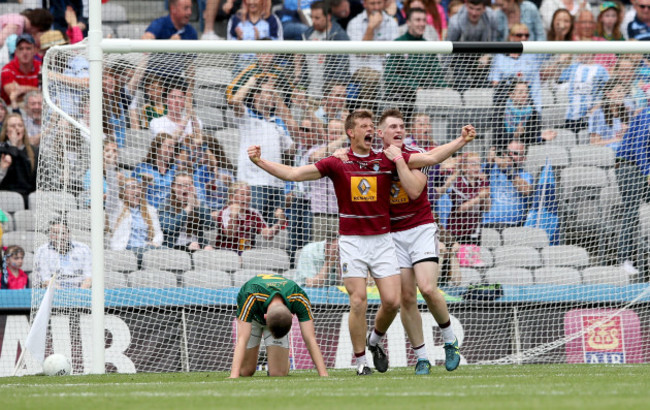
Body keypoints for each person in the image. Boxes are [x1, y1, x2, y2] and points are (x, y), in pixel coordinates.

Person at [248, 109, 477, 375]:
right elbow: (295, 174)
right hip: (352, 241)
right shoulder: (337, 162)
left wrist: (460, 142)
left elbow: (430, 157)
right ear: (351, 132)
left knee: (393, 302)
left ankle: (375, 342)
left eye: (371, 125)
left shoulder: (388, 158)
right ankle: (361, 363)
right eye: (364, 126)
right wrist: (260, 162)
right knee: (357, 301)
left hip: (383, 240)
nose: (368, 129)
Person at [374, 109, 465, 374]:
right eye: (392, 126)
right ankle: (422, 357)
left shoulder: (414, 156)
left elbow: (414, 191)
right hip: (392, 235)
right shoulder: (374, 161)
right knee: (406, 298)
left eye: (401, 126)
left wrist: (460, 142)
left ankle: (450, 341)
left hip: (420, 228)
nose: (398, 130)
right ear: (381, 133)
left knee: (427, 288)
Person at [229, 274, 328, 378]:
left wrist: (323, 374)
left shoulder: (299, 297)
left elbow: (310, 338)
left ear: (291, 316)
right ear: (265, 317)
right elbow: (242, 339)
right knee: (245, 371)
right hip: (253, 318)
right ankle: (280, 359)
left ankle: (283, 363)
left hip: (277, 318)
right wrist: (233, 375)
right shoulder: (249, 295)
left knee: (277, 373)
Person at [230, 75, 294, 225]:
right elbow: (234, 101)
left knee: (274, 231)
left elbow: (291, 150)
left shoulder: (277, 122)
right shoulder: (247, 116)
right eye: (269, 92)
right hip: (253, 184)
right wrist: (251, 82)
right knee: (251, 227)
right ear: (257, 95)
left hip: (276, 185)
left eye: (274, 93)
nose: (273, 96)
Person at [384, 7, 447, 123]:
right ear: (408, 22)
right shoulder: (398, 44)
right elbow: (388, 76)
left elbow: (437, 74)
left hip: (424, 95)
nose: (422, 24)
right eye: (418, 20)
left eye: (424, 20)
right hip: (401, 95)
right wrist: (413, 86)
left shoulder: (428, 46)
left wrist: (445, 88)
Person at [346, 0, 400, 112]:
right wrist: (371, 27)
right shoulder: (354, 23)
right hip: (360, 69)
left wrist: (375, 50)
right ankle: (364, 114)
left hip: (386, 69)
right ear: (365, 4)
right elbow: (361, 52)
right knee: (374, 78)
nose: (376, 7)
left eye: (379, 3)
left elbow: (393, 54)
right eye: (372, 3)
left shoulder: (392, 23)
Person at [106, 162, 164, 264]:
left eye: (138, 187)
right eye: (132, 188)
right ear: (124, 192)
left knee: (168, 252)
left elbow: (158, 233)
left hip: (146, 250)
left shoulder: (149, 210)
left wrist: (155, 242)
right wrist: (112, 169)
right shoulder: (117, 208)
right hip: (126, 251)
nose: (136, 190)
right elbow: (112, 192)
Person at [446, 152, 490, 284]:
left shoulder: (482, 182)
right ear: (464, 167)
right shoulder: (458, 183)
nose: (477, 167)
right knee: (456, 265)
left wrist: (486, 196)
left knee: (473, 266)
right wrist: (479, 198)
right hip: (457, 230)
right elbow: (460, 209)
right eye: (473, 164)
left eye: (479, 164)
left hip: (474, 230)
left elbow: (486, 209)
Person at [213, 182, 286, 254]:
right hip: (227, 254)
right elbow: (230, 234)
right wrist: (234, 216)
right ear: (231, 197)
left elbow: (268, 235)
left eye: (248, 195)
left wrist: (281, 221)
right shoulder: (225, 212)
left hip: (247, 254)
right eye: (242, 194)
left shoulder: (254, 213)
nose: (246, 198)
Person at [297, 1, 350, 97]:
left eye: (317, 18)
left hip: (329, 97)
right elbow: (305, 66)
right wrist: (302, 88)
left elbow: (342, 70)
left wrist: (329, 94)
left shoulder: (339, 36)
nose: (313, 21)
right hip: (309, 95)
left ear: (328, 16)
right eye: (311, 17)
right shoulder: (307, 35)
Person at [482, 140, 533, 229]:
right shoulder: (490, 169)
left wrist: (507, 170)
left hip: (514, 225)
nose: (509, 155)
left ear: (523, 158)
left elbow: (527, 190)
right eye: (508, 152)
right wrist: (489, 163)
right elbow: (475, 181)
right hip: (488, 223)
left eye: (515, 153)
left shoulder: (525, 175)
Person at [159, 172, 216, 251]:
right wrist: (188, 208)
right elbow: (169, 228)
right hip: (173, 248)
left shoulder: (199, 205)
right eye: (180, 185)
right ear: (173, 187)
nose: (184, 188)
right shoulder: (165, 205)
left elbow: (210, 225)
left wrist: (198, 206)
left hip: (197, 246)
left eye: (187, 185)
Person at [34, 219, 92, 288]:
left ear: (69, 233)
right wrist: (62, 295)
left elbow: (89, 277)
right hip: (54, 293)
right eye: (55, 233)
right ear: (50, 235)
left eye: (63, 233)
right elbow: (46, 280)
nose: (60, 237)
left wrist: (79, 293)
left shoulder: (83, 249)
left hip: (80, 293)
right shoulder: (42, 251)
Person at [0, 113, 38, 208]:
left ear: (24, 130)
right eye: (13, 126)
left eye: (20, 125)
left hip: (29, 198)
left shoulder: (33, 151)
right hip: (6, 198)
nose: (17, 128)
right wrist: (13, 145)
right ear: (6, 131)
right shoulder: (2, 150)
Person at [133, 132, 178, 209]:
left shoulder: (175, 169)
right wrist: (144, 182)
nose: (171, 151)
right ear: (157, 148)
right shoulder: (142, 168)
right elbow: (134, 192)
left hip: (169, 212)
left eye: (173, 148)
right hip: (147, 210)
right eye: (168, 147)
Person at [588, 78, 629, 153]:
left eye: (623, 91)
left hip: (624, 151)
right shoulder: (599, 114)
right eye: (619, 91)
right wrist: (617, 140)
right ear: (608, 94)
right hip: (605, 152)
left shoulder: (625, 112)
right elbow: (594, 143)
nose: (622, 94)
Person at [1, 34, 40, 107]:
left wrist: (22, 89)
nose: (24, 52)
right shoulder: (7, 69)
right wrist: (39, 90)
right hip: (12, 110)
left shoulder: (41, 66)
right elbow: (13, 93)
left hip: (36, 107)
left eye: (28, 48)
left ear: (35, 50)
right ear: (16, 52)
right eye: (21, 49)